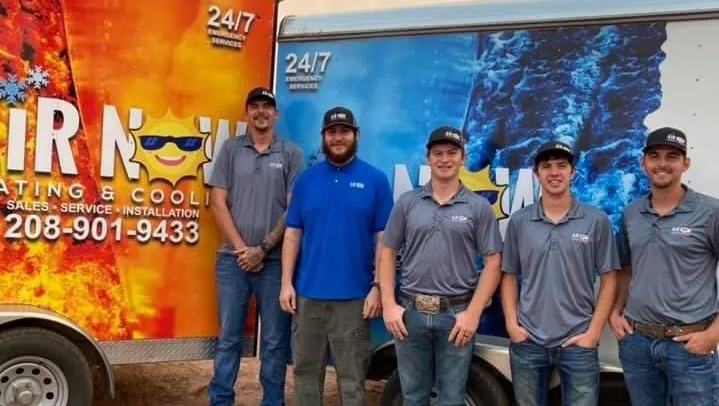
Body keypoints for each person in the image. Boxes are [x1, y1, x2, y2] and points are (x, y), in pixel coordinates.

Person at [379, 126, 504, 405]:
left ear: (463, 158)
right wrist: (389, 304)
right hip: (411, 316)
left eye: (451, 153)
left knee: (452, 398)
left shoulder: (478, 207)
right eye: (438, 153)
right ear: (428, 158)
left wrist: (472, 314)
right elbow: (387, 251)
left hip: (456, 316)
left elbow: (494, 261)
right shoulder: (408, 203)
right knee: (413, 397)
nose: (444, 159)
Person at [280, 106, 394, 406]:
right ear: (323, 137)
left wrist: (378, 287)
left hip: (355, 300)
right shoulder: (306, 181)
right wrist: (286, 283)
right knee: (305, 373)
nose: (338, 137)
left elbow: (384, 242)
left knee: (352, 378)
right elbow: (292, 234)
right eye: (332, 132)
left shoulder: (376, 180)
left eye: (345, 131)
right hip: (307, 297)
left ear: (356, 135)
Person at [499, 140, 619, 406]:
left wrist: (593, 333)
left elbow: (610, 278)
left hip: (578, 341)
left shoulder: (596, 220)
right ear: (536, 173)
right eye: (547, 166)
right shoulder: (520, 221)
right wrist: (512, 325)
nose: (554, 172)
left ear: (572, 172)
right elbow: (508, 275)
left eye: (562, 166)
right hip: (528, 341)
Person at [207, 87, 304, 406]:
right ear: (246, 113)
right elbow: (217, 202)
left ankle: (272, 402)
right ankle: (221, 400)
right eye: (255, 106)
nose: (261, 112)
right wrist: (242, 250)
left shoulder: (291, 154)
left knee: (275, 342)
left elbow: (294, 209)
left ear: (276, 114)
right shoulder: (230, 150)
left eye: (267, 107)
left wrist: (262, 249)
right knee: (228, 338)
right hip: (232, 261)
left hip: (275, 263)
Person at [609, 127, 719, 406]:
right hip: (637, 343)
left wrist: (714, 334)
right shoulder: (632, 213)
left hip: (689, 346)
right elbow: (626, 268)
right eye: (654, 156)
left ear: (685, 164)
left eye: (672, 157)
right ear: (643, 163)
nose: (662, 164)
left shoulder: (710, 212)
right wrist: (615, 312)